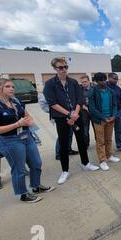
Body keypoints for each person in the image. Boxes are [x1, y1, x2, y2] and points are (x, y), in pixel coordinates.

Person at [0, 79, 55, 203]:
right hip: (10, 140)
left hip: (26, 136)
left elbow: (26, 115)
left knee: (36, 163)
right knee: (19, 169)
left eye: (12, 86)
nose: (12, 89)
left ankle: (36, 187)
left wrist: (30, 121)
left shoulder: (15, 101)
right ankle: (23, 194)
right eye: (7, 86)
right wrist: (17, 124)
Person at [43, 57, 99, 185]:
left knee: (82, 140)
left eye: (65, 67)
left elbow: (80, 99)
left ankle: (86, 163)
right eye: (60, 67)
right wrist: (68, 114)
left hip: (76, 116)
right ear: (55, 69)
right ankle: (65, 170)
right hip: (62, 118)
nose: (64, 70)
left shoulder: (73, 82)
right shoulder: (50, 84)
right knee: (63, 144)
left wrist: (75, 114)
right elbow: (52, 103)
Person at [88, 73, 120, 171]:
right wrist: (103, 117)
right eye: (100, 80)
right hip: (99, 120)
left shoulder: (110, 91)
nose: (103, 82)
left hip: (110, 119)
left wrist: (113, 116)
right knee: (100, 141)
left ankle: (109, 155)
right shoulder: (92, 91)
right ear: (96, 81)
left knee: (108, 139)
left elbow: (115, 105)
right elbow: (92, 108)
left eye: (104, 80)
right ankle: (102, 161)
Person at [107, 73, 121, 152]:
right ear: (109, 78)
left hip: (118, 111)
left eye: (117, 79)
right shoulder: (104, 87)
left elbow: (119, 99)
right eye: (114, 78)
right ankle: (107, 148)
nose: (116, 80)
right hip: (109, 112)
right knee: (108, 131)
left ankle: (119, 145)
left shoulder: (118, 88)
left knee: (118, 129)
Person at [79, 75, 94, 149]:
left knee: (96, 127)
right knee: (85, 129)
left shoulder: (94, 89)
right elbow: (77, 100)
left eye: (85, 81)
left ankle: (99, 142)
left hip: (94, 110)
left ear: (89, 81)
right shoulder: (79, 90)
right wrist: (83, 106)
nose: (84, 83)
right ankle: (86, 144)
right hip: (84, 111)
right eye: (82, 82)